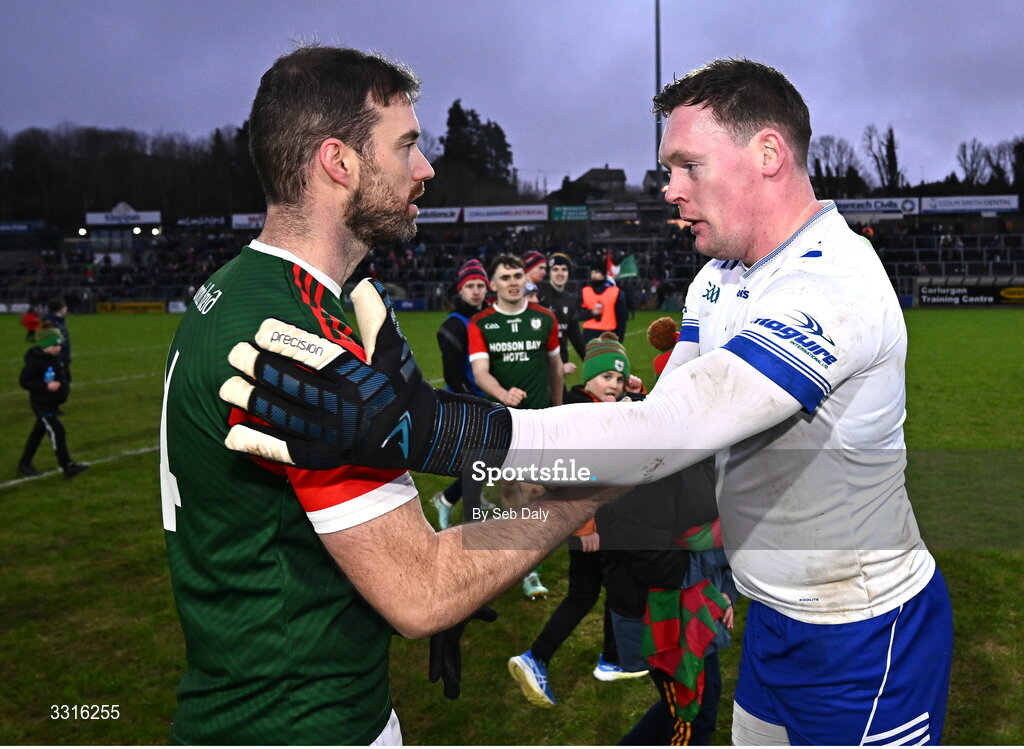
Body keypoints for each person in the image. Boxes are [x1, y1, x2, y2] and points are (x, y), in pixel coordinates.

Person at [223, 57, 953, 746]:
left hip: (864, 630)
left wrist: (428, 428)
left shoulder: (833, 287)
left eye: (687, 166)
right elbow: (664, 441)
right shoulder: (720, 279)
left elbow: (662, 429)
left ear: (768, 154)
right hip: (775, 618)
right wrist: (529, 491)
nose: (669, 187)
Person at [161, 44, 626, 745]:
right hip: (298, 724)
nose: (426, 166)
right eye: (406, 144)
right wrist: (588, 492)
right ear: (338, 162)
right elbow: (423, 588)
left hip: (284, 699)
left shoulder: (258, 290)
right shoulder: (281, 323)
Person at [508, 334, 647, 707]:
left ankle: (545, 657)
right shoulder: (579, 411)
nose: (614, 387)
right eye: (607, 379)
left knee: (587, 593)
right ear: (588, 378)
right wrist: (585, 526)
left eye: (619, 381)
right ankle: (609, 659)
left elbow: (641, 419)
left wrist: (637, 391)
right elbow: (568, 470)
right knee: (619, 590)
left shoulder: (590, 404)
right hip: (590, 525)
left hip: (595, 522)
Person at [467, 253, 563, 598]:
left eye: (517, 276)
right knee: (511, 491)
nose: (512, 282)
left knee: (538, 489)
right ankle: (526, 563)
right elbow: (480, 372)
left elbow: (555, 367)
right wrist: (503, 394)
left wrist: (558, 407)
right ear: (493, 285)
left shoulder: (544, 319)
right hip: (503, 420)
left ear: (526, 280)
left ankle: (527, 551)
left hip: (540, 418)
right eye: (505, 277)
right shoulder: (481, 323)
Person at [431, 258, 489, 529]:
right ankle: (447, 498)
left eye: (480, 285)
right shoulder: (452, 326)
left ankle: (472, 495)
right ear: (461, 290)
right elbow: (453, 375)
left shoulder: (490, 317)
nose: (476, 290)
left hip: (490, 395)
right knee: (484, 457)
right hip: (466, 401)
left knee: (488, 457)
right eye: (470, 286)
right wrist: (477, 403)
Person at [18, 324, 89, 479]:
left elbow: (63, 375)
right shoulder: (36, 362)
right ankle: (67, 466)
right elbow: (24, 381)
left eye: (60, 344)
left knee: (37, 433)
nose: (58, 348)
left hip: (52, 403)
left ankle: (24, 463)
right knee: (57, 431)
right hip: (41, 404)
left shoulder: (57, 358)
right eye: (55, 345)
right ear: (45, 345)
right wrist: (45, 386)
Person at [536, 252, 586, 378]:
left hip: (560, 364)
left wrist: (596, 366)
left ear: (568, 273)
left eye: (564, 269)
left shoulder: (569, 300)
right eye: (555, 269)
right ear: (549, 272)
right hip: (540, 367)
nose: (560, 273)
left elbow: (576, 338)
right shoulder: (538, 296)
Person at [579, 263, 626, 343]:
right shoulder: (584, 291)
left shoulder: (616, 292)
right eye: (592, 272)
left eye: (597, 272)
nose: (593, 275)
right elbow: (576, 315)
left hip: (609, 332)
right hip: (589, 333)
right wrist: (591, 313)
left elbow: (622, 317)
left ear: (604, 275)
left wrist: (620, 337)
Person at [42, 297, 72, 383]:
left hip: (62, 356)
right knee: (59, 380)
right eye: (64, 306)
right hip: (56, 357)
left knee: (65, 379)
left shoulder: (59, 321)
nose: (66, 308)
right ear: (60, 309)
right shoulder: (51, 323)